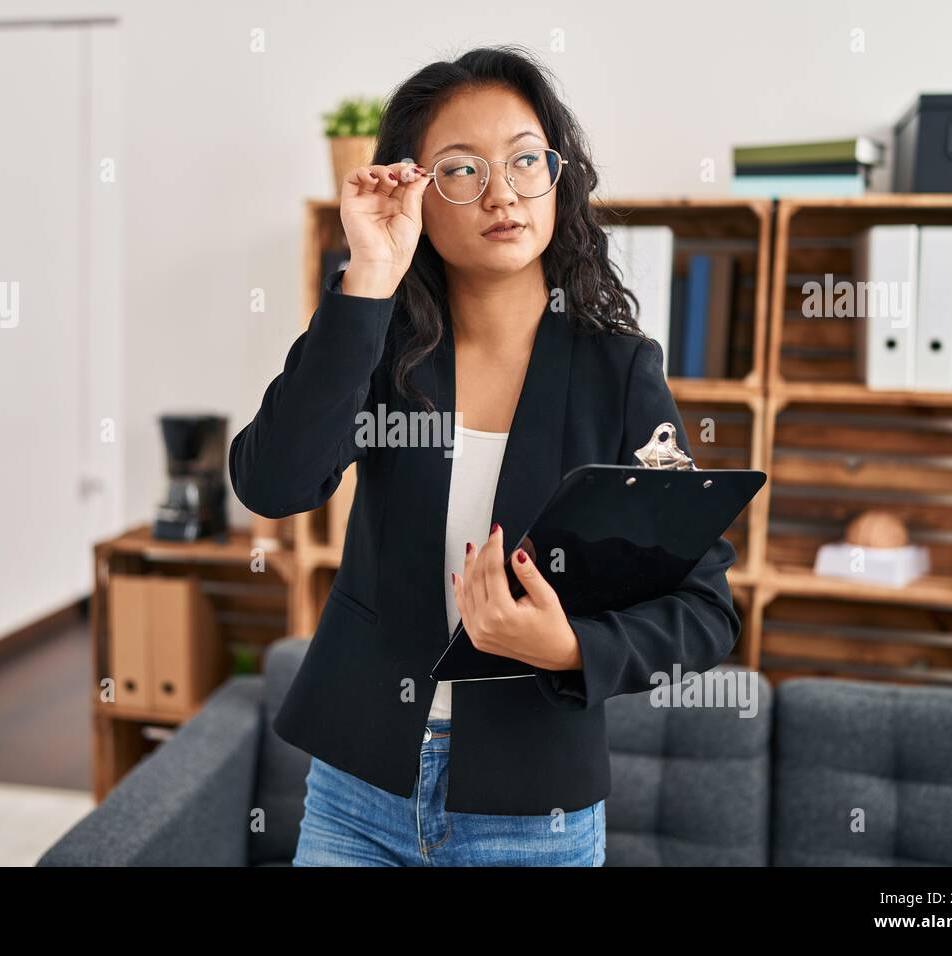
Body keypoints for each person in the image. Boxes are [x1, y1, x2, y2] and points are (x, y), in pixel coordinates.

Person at [230, 45, 740, 866]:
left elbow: (705, 608)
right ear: (417, 192)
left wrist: (569, 648)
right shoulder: (382, 341)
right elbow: (273, 483)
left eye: (525, 160)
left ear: (558, 177)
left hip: (533, 815)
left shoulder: (619, 373)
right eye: (462, 170)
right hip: (358, 793)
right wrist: (370, 275)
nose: (502, 193)